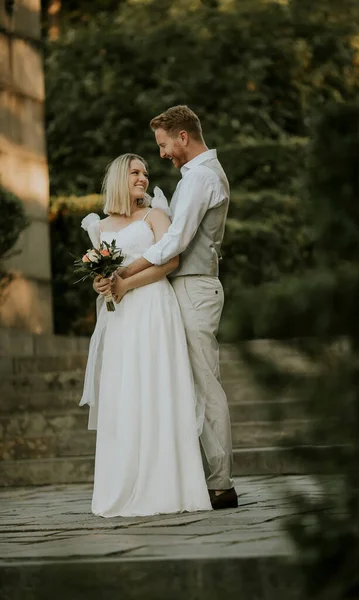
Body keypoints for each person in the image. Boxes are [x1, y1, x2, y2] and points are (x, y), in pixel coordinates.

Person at [98, 105, 237, 510]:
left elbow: (174, 241)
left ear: (182, 137)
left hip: (193, 288)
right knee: (183, 384)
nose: (161, 155)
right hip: (182, 291)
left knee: (204, 385)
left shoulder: (202, 178)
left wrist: (126, 270)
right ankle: (190, 474)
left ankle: (219, 483)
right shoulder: (194, 177)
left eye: (163, 145)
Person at [80, 153, 212, 517]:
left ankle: (167, 485)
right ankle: (121, 484)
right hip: (121, 319)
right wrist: (103, 282)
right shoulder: (101, 226)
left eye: (145, 173)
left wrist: (125, 284)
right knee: (124, 393)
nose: (142, 178)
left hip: (154, 308)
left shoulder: (155, 215)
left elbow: (170, 262)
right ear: (121, 177)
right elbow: (101, 282)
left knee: (157, 388)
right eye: (136, 172)